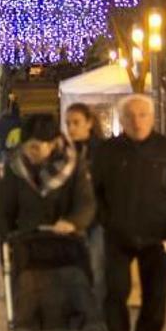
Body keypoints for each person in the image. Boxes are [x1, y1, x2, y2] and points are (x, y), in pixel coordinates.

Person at [92, 94, 166, 331]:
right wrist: (106, 220)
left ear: (152, 118)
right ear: (122, 120)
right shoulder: (108, 151)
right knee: (115, 296)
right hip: (118, 236)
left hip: (158, 239)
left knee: (156, 302)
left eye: (143, 115)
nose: (137, 122)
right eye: (131, 116)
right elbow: (95, 193)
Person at [0, 113, 96, 239]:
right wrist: (5, 238)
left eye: (35, 147)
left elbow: (86, 203)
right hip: (27, 242)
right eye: (26, 147)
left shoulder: (74, 164)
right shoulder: (15, 165)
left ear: (52, 144)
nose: (29, 152)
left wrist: (73, 222)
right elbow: (4, 207)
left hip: (66, 242)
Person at [64, 103, 106, 302]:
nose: (71, 128)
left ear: (89, 123)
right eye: (68, 123)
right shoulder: (66, 151)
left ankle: (95, 312)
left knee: (97, 269)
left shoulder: (101, 151)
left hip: (98, 219)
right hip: (73, 220)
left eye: (76, 123)